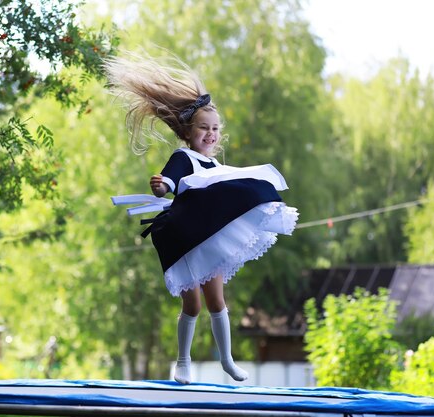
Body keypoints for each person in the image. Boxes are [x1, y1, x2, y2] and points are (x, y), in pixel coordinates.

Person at [104, 52, 298, 384]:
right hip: (185, 236)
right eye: (203, 129)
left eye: (215, 129)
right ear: (188, 131)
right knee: (192, 305)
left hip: (210, 237)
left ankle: (227, 360)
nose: (210, 134)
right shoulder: (183, 156)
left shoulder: (219, 167)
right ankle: (183, 361)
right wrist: (161, 185)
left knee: (217, 300)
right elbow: (167, 180)